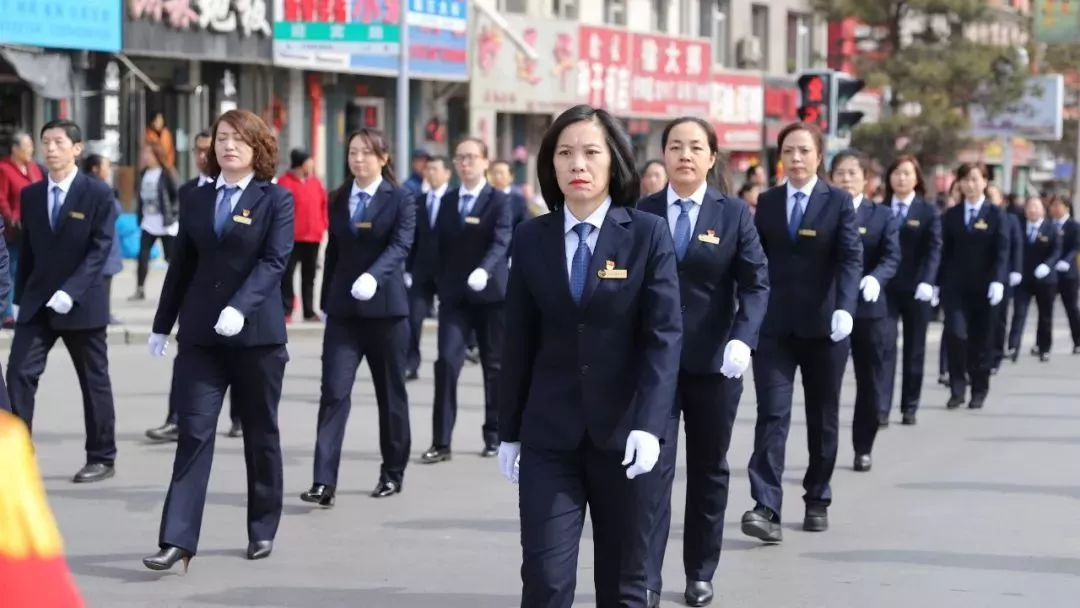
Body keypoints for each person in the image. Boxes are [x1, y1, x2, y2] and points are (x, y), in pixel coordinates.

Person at [497, 104, 681, 608]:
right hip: (549, 437)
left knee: (623, 587)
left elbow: (663, 338)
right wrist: (508, 431)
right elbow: (518, 341)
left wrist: (650, 425)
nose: (577, 164)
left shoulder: (647, 234)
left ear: (613, 161)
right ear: (551, 165)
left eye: (590, 152)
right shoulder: (531, 238)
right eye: (565, 153)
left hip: (626, 436)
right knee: (546, 581)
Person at [142, 109, 294, 571]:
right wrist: (161, 324)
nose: (228, 146)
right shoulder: (196, 196)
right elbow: (181, 266)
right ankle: (177, 540)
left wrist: (240, 307)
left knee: (260, 434)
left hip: (257, 338)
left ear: (258, 148)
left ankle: (262, 527)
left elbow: (274, 262)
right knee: (193, 432)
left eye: (239, 139)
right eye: (222, 137)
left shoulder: (276, 199)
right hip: (202, 337)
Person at [637, 117, 769, 608]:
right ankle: (645, 576)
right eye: (675, 146)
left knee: (709, 470)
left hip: (716, 365)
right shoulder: (642, 212)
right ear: (664, 155)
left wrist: (743, 339)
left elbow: (756, 283)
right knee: (650, 472)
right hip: (654, 366)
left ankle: (699, 571)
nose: (685, 155)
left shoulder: (732, 214)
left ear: (712, 158)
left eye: (695, 147)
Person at [742, 121, 862, 541]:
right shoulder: (768, 201)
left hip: (825, 329)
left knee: (822, 416)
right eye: (789, 151)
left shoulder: (838, 201)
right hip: (774, 328)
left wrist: (845, 307)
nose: (796, 158)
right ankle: (766, 507)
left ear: (818, 156)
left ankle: (817, 497)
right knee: (772, 414)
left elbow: (850, 258)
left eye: (804, 151)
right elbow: (755, 259)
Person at [300, 128, 414, 506]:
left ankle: (392, 472)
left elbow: (400, 246)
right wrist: (324, 301)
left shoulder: (400, 198)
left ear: (383, 158)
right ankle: (323, 481)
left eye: (366, 152)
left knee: (390, 396)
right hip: (344, 314)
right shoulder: (338, 197)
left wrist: (374, 276)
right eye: (352, 152)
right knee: (333, 392)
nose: (358, 159)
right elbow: (333, 251)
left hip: (386, 313)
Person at [3, 120, 117, 484]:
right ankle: (17, 456)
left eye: (59, 142)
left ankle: (101, 456)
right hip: (37, 302)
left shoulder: (98, 193)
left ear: (77, 149)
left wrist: (72, 290)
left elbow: (100, 249)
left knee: (93, 382)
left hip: (82, 303)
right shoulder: (32, 194)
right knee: (19, 374)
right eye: (46, 142)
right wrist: (18, 300)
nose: (50, 149)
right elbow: (28, 251)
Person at [144, 130, 244, 443]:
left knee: (237, 360)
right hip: (196, 294)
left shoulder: (242, 191)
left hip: (233, 296)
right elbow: (181, 260)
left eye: (207, 150)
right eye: (198, 151)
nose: (203, 156)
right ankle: (176, 419)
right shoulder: (190, 191)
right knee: (186, 360)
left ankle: (239, 416)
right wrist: (163, 322)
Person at [420, 137, 512, 464]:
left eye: (472, 157)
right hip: (455, 298)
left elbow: (501, 241)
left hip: (491, 296)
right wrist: (429, 283)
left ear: (485, 161)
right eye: (460, 158)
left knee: (495, 367)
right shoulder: (448, 201)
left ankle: (495, 435)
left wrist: (484, 270)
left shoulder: (499, 201)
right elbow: (437, 248)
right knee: (446, 363)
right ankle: (441, 441)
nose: (465, 163)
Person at [829, 151, 899, 472]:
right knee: (828, 384)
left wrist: (876, 278)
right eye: (840, 173)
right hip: (832, 309)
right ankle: (825, 451)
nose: (846, 179)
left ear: (865, 179)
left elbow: (891, 256)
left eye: (852, 173)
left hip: (870, 310)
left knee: (870, 382)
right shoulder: (824, 212)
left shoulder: (882, 215)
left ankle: (863, 447)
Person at [937, 163, 1008, 410]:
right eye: (965, 179)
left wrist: (998, 280)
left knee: (982, 339)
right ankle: (957, 387)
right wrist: (936, 283)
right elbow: (943, 252)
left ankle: (979, 388)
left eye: (975, 179)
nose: (970, 184)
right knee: (956, 335)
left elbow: (1002, 251)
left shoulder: (996, 215)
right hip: (955, 288)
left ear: (985, 182)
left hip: (985, 288)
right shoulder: (951, 215)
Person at [879, 155, 940, 426]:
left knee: (915, 349)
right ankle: (881, 408)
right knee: (884, 347)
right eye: (896, 173)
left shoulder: (928, 211)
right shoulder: (879, 209)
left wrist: (928, 281)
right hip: (886, 290)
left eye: (907, 173)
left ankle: (910, 406)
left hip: (917, 289)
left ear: (916, 178)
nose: (901, 178)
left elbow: (934, 249)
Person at [404, 155, 451, 380]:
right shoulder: (419, 201)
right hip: (421, 270)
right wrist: (407, 268)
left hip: (448, 271)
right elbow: (412, 238)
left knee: (448, 321)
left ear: (447, 173)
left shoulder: (454, 201)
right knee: (413, 318)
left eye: (435, 169)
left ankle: (447, 361)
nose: (430, 173)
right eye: (428, 169)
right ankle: (410, 363)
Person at [1006, 196, 1060, 361]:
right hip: (1023, 278)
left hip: (1045, 279)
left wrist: (1047, 266)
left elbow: (1056, 251)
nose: (1033, 210)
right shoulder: (1020, 227)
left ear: (1043, 210)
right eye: (1030, 207)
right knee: (1019, 313)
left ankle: (1044, 348)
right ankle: (1013, 347)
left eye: (1036, 207)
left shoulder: (1051, 228)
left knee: (1045, 315)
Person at [277, 148, 328, 322]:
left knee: (310, 276)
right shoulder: (284, 183)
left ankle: (309, 311)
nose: (312, 165)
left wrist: (323, 225)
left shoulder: (316, 183)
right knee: (287, 274)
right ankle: (286, 309)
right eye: (309, 161)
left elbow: (323, 204)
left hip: (313, 237)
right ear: (300, 164)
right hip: (291, 238)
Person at [0, 131, 43, 328]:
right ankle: (8, 314)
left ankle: (27, 309)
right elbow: (1, 198)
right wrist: (10, 218)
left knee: (31, 270)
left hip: (34, 228)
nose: (31, 150)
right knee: (10, 270)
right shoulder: (4, 169)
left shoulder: (34, 168)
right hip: (14, 230)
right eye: (27, 147)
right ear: (15, 149)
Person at [128, 141, 179, 301]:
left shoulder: (167, 173)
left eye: (148, 154)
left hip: (166, 224)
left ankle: (178, 290)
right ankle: (140, 289)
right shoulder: (143, 174)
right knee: (142, 256)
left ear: (157, 155)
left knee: (171, 258)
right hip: (148, 223)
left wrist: (173, 215)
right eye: (144, 154)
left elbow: (177, 196)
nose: (145, 157)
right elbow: (140, 198)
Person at [79, 155, 123, 325]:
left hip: (89, 242)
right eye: (106, 166)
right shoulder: (101, 188)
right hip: (103, 241)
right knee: (103, 283)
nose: (109, 170)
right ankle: (103, 315)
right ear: (96, 168)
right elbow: (115, 211)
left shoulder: (81, 184)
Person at [989, 184, 1023, 371]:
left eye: (992, 196)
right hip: (979, 276)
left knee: (999, 318)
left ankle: (995, 356)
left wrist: (1016, 270)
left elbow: (1016, 245)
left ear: (1001, 199)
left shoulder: (1009, 219)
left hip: (1002, 276)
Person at [1049, 196, 1080, 352]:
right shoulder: (1048, 225)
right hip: (1050, 274)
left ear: (1066, 207)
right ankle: (1042, 344)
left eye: (1058, 205)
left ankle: (1078, 341)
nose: (1054, 208)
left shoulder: (1074, 226)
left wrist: (1066, 261)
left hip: (1069, 274)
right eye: (1052, 205)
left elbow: (1076, 247)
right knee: (1045, 309)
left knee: (1071, 309)